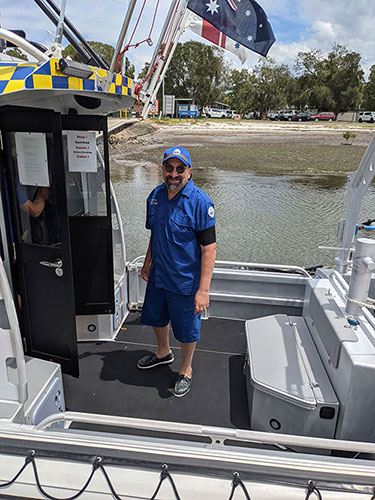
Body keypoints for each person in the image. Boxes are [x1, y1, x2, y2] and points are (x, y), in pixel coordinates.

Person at [137, 146, 217, 397]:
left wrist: (203, 290)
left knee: (186, 328)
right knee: (156, 317)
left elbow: (209, 249)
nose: (174, 173)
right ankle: (163, 352)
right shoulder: (155, 196)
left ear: (189, 171)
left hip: (185, 280)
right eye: (169, 168)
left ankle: (185, 369)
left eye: (180, 169)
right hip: (159, 274)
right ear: (162, 169)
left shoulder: (200, 202)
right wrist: (148, 261)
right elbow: (155, 233)